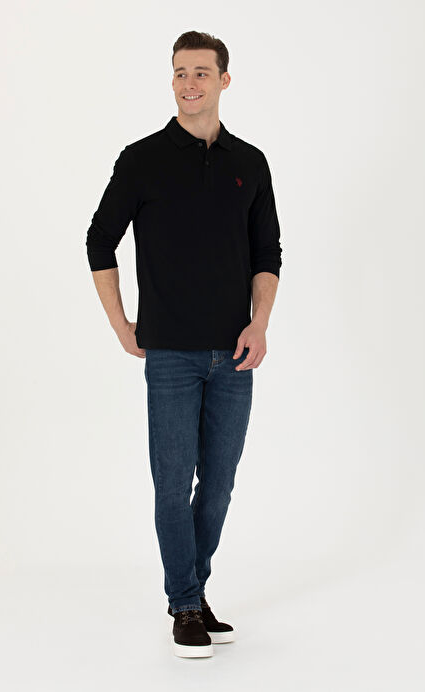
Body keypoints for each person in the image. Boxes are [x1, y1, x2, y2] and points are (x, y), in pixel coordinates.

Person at [85, 30, 282, 658]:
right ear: (171, 81)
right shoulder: (141, 159)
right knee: (173, 486)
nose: (189, 83)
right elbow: (99, 240)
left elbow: (268, 253)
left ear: (224, 80)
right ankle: (186, 605)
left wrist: (259, 323)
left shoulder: (250, 163)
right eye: (179, 72)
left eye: (200, 72)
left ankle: (191, 592)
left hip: (236, 355)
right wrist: (121, 325)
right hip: (169, 354)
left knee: (218, 485)